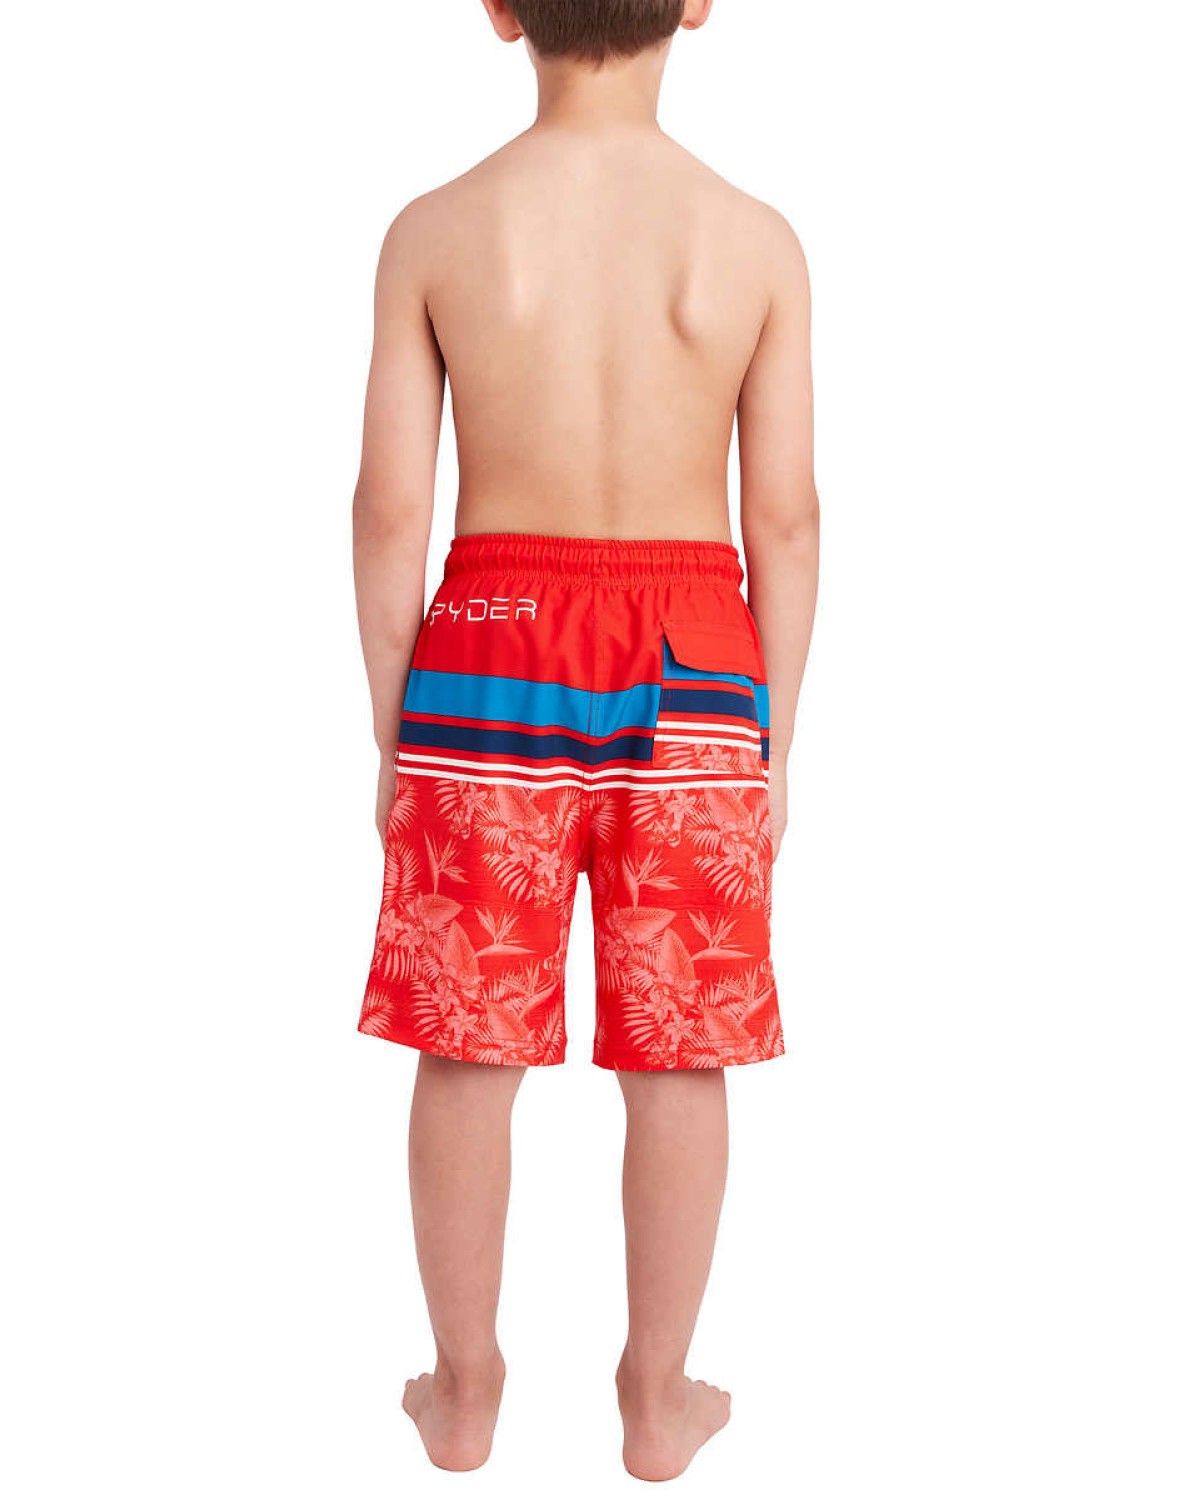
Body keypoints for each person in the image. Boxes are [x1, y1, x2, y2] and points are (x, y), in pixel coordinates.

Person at [351, 0, 818, 1480]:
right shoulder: (751, 242)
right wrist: (775, 743)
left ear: (499, 9)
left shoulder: (438, 232)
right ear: (697, 0)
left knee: (463, 1036)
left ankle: (464, 1390)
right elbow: (786, 519)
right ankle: (656, 1400)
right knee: (680, 1050)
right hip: (697, 667)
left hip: (487, 653)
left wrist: (395, 728)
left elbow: (387, 512)